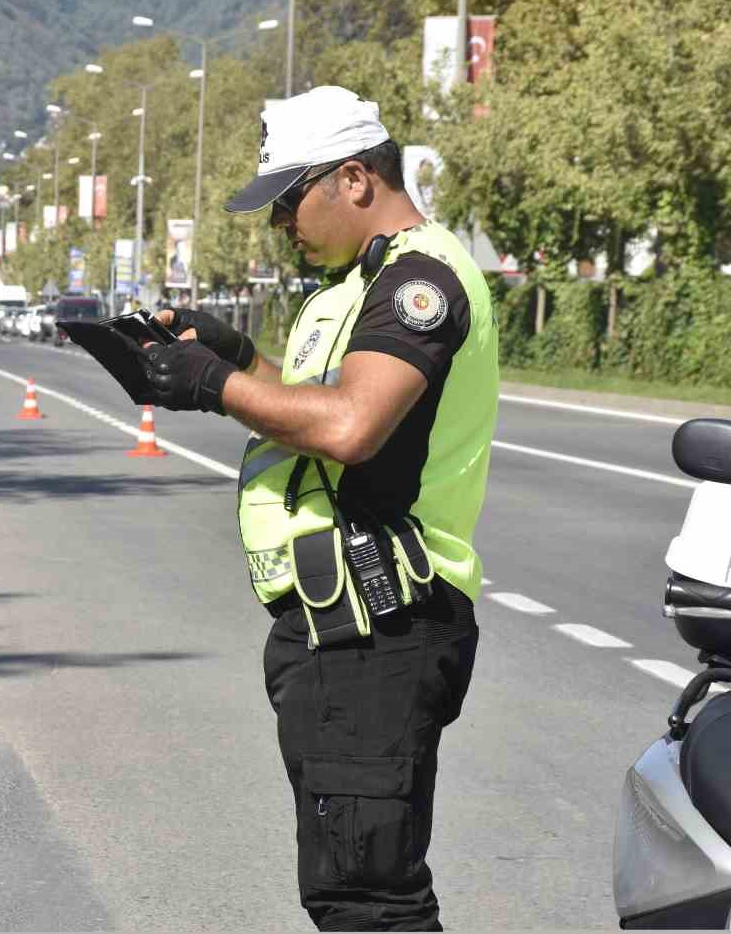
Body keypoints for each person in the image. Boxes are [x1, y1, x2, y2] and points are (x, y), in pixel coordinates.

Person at [140, 87, 498, 931]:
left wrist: (215, 386)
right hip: (336, 624)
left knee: (369, 901)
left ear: (355, 179)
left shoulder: (421, 280)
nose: (279, 224)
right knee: (349, 889)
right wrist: (236, 360)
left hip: (381, 620)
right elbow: (319, 404)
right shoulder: (355, 284)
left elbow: (350, 427)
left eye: (289, 199)